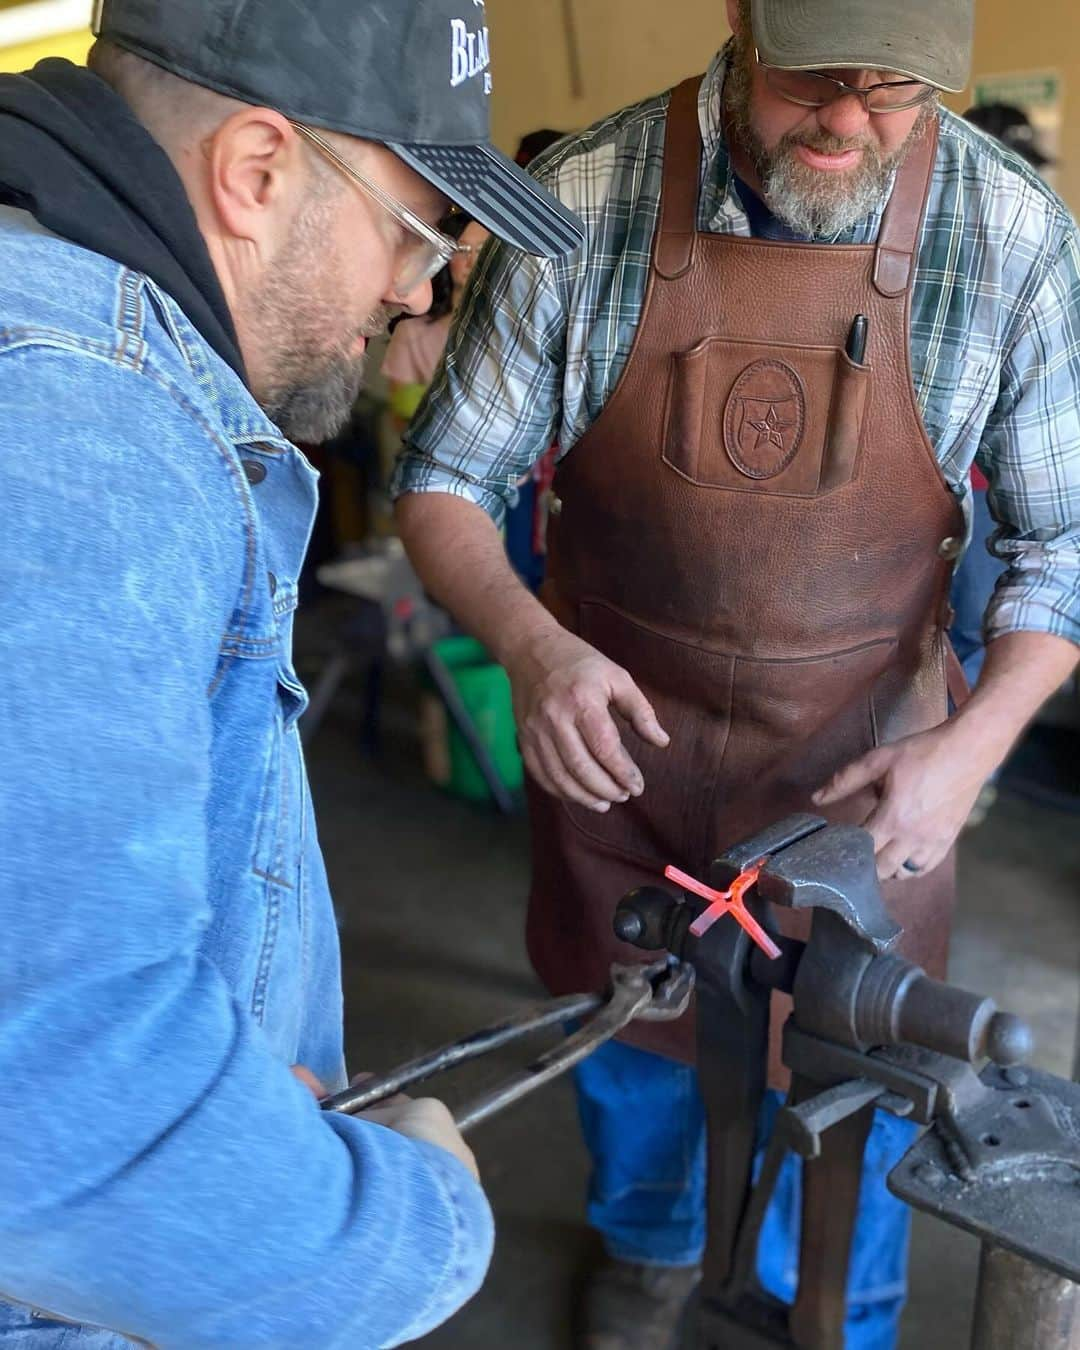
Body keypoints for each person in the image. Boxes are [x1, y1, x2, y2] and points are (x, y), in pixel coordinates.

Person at [392, 0, 1080, 1345]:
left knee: (855, 1083)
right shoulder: (578, 199)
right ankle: (649, 1255)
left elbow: (1064, 546)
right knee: (635, 1049)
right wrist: (532, 649)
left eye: (894, 92)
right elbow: (442, 478)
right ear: (741, 21)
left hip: (869, 789)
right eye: (816, 76)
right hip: (621, 772)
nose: (846, 122)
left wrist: (972, 746)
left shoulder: (1010, 236)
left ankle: (845, 1307)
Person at [0, 0, 582, 1344]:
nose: (421, 289)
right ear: (257, 174)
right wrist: (402, 1215)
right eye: (420, 229)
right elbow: (51, 1094)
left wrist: (254, 1102)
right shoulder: (78, 423)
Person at [383, 213, 492, 426]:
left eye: (481, 250)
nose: (471, 261)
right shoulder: (411, 332)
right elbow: (401, 416)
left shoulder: (514, 327)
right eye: (462, 250)